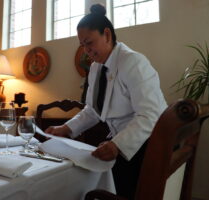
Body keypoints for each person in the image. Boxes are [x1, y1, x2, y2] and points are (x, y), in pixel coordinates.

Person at [45, 4, 167, 199]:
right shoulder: (95, 68)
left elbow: (149, 114)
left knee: (100, 182)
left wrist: (117, 145)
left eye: (89, 42)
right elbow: (92, 110)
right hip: (122, 141)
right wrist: (66, 128)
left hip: (148, 143)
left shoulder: (133, 62)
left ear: (107, 35)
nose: (86, 51)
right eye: (82, 45)